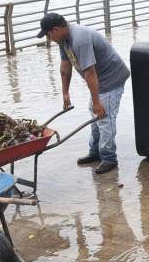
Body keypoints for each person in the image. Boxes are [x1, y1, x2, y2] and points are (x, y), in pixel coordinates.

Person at [37, 13, 130, 175]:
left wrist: (97, 102)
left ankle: (109, 158)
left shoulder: (80, 39)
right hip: (99, 80)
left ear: (55, 30)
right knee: (95, 116)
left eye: (48, 35)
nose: (49, 39)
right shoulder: (63, 40)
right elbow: (65, 68)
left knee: (104, 118)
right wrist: (65, 93)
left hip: (111, 78)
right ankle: (95, 152)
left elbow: (90, 73)